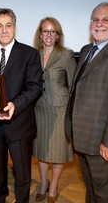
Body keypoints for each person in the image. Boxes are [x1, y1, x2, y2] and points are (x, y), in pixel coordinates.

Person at [0, 8, 42, 203]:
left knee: (22, 175)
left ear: (14, 27)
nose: (4, 30)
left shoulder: (30, 54)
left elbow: (35, 87)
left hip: (20, 124)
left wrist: (15, 104)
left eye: (8, 25)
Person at [65, 2, 108, 203]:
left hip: (102, 143)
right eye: (95, 19)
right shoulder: (87, 49)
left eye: (106, 19)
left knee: (106, 193)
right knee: (91, 189)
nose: (99, 24)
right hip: (83, 137)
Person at [32, 17, 76, 203]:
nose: (49, 35)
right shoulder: (33, 54)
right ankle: (43, 183)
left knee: (57, 152)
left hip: (60, 110)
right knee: (42, 150)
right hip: (38, 109)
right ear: (40, 34)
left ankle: (54, 185)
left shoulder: (66, 55)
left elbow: (73, 84)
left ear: (57, 35)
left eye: (53, 31)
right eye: (45, 31)